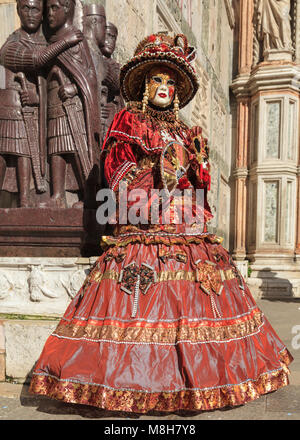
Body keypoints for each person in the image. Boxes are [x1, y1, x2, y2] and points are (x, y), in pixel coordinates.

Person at [29, 32, 293, 413]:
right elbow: (116, 174)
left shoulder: (185, 131)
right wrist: (158, 168)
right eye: (158, 79)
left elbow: (196, 183)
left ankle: (201, 380)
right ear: (144, 85)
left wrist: (197, 165)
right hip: (145, 225)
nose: (166, 87)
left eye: (172, 82)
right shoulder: (129, 121)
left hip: (187, 226)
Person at [0, 0, 83, 207]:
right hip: (15, 110)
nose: (30, 14)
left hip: (42, 114)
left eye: (36, 9)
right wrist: (66, 41)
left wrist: (39, 97)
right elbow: (36, 60)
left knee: (54, 148)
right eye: (26, 8)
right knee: (12, 151)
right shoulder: (12, 45)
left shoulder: (49, 41)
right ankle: (22, 200)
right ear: (18, 10)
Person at [45, 0, 101, 209]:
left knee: (76, 146)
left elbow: (89, 77)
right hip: (53, 103)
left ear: (67, 9)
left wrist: (74, 89)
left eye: (54, 8)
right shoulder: (53, 38)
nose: (50, 13)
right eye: (48, 8)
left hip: (72, 106)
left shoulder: (76, 38)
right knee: (55, 148)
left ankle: (89, 194)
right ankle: (57, 195)